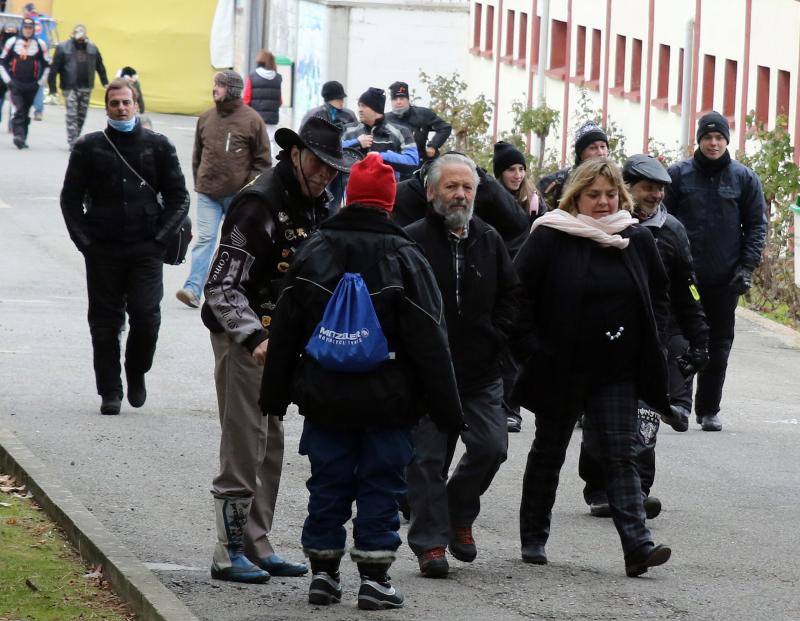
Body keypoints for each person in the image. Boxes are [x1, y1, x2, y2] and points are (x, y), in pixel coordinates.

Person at [260, 152, 464, 609]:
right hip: (388, 396)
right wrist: (448, 408)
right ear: (389, 203)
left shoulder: (315, 249)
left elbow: (287, 325)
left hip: (326, 390)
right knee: (381, 483)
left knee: (328, 480)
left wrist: (274, 395)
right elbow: (430, 337)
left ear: (350, 197)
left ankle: (324, 574)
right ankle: (374, 578)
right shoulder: (406, 255)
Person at [200, 116, 353, 584]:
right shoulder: (257, 203)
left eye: (332, 168)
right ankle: (227, 551)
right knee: (245, 442)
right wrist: (255, 338)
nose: (326, 175)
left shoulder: (320, 203)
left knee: (271, 443)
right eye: (320, 165)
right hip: (244, 336)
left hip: (283, 342)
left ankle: (257, 543)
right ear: (295, 155)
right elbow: (220, 287)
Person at [514, 158, 672, 577]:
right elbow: (517, 296)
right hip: (560, 366)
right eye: (593, 195)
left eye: (610, 194)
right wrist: (533, 349)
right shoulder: (551, 235)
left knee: (621, 455)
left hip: (616, 369)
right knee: (550, 451)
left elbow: (657, 296)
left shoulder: (635, 238)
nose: (603, 203)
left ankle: (637, 547)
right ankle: (533, 536)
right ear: (575, 197)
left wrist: (654, 346)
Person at [404, 153, 519, 578]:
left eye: (467, 187)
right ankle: (431, 543)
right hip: (428, 374)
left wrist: (495, 336)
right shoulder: (411, 240)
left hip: (480, 372)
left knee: (492, 448)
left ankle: (458, 512)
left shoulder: (489, 239)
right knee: (426, 460)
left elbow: (512, 296)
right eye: (451, 187)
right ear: (432, 191)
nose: (460, 195)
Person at [577, 154, 710, 519]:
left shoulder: (673, 232)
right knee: (599, 421)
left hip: (654, 340)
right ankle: (599, 487)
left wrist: (700, 339)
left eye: (660, 189)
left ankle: (637, 490)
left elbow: (688, 289)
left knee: (646, 418)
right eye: (648, 188)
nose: (655, 195)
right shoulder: (600, 226)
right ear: (628, 189)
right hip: (603, 339)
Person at [60, 79, 190, 415]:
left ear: (136, 105)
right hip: (102, 249)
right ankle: (110, 390)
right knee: (104, 322)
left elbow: (179, 196)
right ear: (107, 107)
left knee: (146, 317)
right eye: (115, 103)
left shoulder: (158, 146)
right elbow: (70, 198)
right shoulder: (88, 147)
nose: (121, 108)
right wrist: (84, 241)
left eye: (126, 102)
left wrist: (161, 239)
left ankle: (136, 370)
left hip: (146, 248)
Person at [664, 112, 767, 431]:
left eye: (719, 138)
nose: (713, 143)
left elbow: (756, 226)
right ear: (699, 140)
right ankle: (679, 404)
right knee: (680, 340)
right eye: (707, 137)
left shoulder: (744, 178)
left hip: (724, 280)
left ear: (726, 141)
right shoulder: (678, 175)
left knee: (718, 345)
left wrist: (747, 267)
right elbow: (663, 219)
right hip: (683, 278)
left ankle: (708, 409)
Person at [175, 70, 271, 309]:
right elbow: (198, 154)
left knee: (236, 244)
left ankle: (231, 290)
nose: (213, 89)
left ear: (231, 89)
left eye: (218, 85)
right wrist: (201, 178)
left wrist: (248, 188)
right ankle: (192, 289)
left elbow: (263, 161)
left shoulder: (252, 120)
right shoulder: (206, 117)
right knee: (205, 239)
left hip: (239, 196)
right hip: (208, 193)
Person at [491, 140, 547, 433]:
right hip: (498, 281)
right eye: (511, 169)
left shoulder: (535, 202)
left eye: (521, 169)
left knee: (520, 346)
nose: (517, 175)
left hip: (527, 282)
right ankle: (504, 407)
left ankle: (517, 406)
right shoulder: (489, 201)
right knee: (501, 347)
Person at [48, 24, 109, 149]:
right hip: (69, 87)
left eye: (83, 37)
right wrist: (52, 88)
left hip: (86, 87)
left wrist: (105, 82)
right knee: (72, 114)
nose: (80, 40)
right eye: (78, 37)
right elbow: (54, 69)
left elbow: (100, 66)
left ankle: (76, 136)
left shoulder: (92, 48)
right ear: (73, 36)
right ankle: (73, 142)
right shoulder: (63, 48)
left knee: (81, 115)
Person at [301, 80, 357, 212]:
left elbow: (355, 134)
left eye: (342, 98)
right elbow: (303, 139)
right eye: (339, 98)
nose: (342, 101)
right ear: (330, 98)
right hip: (318, 162)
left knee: (336, 199)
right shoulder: (315, 115)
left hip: (340, 163)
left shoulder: (348, 115)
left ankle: (330, 219)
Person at [342, 87, 419, 180]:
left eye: (364, 106)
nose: (359, 110)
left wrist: (380, 157)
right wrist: (356, 142)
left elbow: (413, 161)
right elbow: (331, 150)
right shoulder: (348, 130)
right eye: (359, 106)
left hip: (386, 192)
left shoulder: (401, 132)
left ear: (376, 110)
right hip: (352, 192)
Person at [537, 120, 609, 210]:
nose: (600, 152)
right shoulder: (559, 182)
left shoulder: (616, 180)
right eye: (593, 148)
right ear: (580, 154)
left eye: (603, 147)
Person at [0, 16, 49, 149]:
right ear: (22, 28)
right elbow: (2, 61)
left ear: (33, 29)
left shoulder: (40, 44)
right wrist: (8, 80)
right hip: (15, 82)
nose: (28, 30)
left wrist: (40, 82)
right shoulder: (12, 42)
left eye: (30, 28)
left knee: (26, 110)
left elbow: (46, 64)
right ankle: (18, 135)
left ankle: (23, 136)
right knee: (18, 109)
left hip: (32, 84)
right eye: (26, 27)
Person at [385, 80, 451, 170]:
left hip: (421, 164)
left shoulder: (422, 114)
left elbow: (445, 128)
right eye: (395, 99)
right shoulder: (385, 120)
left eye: (401, 99)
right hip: (394, 167)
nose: (398, 102)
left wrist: (433, 145)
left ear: (408, 100)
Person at [243, 49, 282, 154]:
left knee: (254, 145)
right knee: (270, 145)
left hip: (255, 117)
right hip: (271, 119)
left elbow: (246, 99)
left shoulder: (252, 76)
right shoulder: (278, 78)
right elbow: (280, 101)